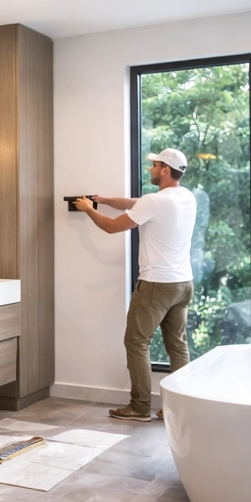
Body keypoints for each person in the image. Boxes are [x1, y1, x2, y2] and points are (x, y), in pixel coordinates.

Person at [74, 148, 197, 422]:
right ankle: (177, 409)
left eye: (154, 165)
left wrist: (89, 209)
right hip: (183, 284)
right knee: (177, 346)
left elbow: (112, 227)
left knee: (136, 342)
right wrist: (105, 199)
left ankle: (140, 406)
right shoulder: (185, 197)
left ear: (165, 170)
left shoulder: (155, 201)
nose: (150, 169)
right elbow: (136, 203)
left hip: (156, 285)